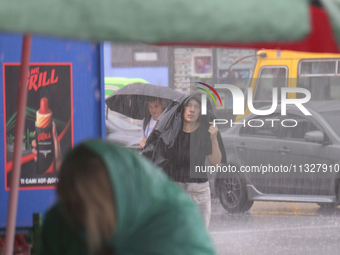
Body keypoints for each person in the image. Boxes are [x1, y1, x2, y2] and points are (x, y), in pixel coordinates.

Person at [39, 140, 217, 255]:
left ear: (114, 196)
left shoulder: (176, 225)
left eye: (83, 204)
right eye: (69, 202)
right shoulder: (62, 221)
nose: (75, 213)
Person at [142, 92, 226, 227]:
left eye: (196, 107)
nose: (191, 110)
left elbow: (215, 163)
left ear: (201, 111)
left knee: (198, 236)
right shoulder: (171, 132)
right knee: (175, 234)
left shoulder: (206, 132)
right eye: (188, 105)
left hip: (199, 191)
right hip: (175, 191)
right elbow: (157, 158)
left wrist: (213, 138)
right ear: (182, 109)